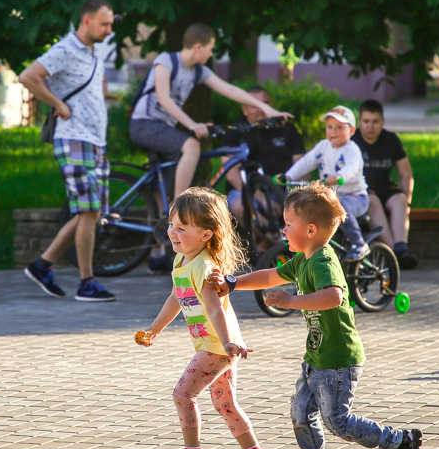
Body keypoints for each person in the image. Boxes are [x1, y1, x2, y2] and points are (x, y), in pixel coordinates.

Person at [211, 181, 422, 449]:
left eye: (288, 224)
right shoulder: (304, 258)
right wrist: (232, 282)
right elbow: (270, 275)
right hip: (316, 357)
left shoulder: (323, 260)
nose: (283, 230)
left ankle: (400, 440)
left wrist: (291, 301)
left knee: (337, 421)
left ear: (311, 230)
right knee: (301, 412)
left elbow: (334, 296)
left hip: (339, 359)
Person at [135, 187, 276, 449]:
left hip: (218, 345)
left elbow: (215, 310)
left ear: (206, 235)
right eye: (172, 225)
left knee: (183, 394)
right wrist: (154, 330)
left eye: (182, 228)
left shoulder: (205, 267)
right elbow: (176, 298)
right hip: (216, 345)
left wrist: (227, 342)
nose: (173, 232)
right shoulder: (182, 260)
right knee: (225, 404)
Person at [129, 23, 291, 273]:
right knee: (192, 145)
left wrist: (268, 111)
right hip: (144, 124)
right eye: (210, 50)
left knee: (174, 170)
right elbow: (163, 98)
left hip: (165, 129)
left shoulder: (197, 71)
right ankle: (179, 209)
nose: (211, 55)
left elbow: (229, 90)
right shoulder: (166, 61)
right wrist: (192, 124)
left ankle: (159, 246)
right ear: (198, 47)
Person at [18, 0, 116, 302]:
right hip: (73, 138)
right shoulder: (65, 49)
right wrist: (57, 103)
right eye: (104, 24)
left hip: (95, 141)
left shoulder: (93, 51)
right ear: (86, 21)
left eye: (111, 24)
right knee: (88, 210)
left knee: (91, 210)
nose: (109, 30)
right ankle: (86, 282)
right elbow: (28, 76)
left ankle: (42, 265)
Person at [283, 105, 370, 261]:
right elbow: (306, 162)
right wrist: (288, 176)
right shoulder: (323, 146)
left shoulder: (352, 149)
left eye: (339, 127)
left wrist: (339, 176)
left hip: (355, 196)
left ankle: (359, 243)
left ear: (352, 131)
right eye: (330, 127)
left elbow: (352, 167)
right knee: (308, 207)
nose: (333, 131)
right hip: (331, 197)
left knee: (341, 205)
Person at [221, 86, 305, 227]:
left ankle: (272, 245)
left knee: (305, 206)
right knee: (240, 208)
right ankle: (271, 241)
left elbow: (303, 167)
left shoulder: (286, 128)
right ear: (244, 109)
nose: (261, 109)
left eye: (265, 104)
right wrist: (262, 199)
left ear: (271, 106)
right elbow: (231, 174)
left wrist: (287, 196)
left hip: (285, 188)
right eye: (254, 105)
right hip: (246, 191)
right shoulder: (235, 131)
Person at [353, 100, 420, 269]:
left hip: (385, 186)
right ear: (359, 121)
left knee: (400, 200)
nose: (370, 126)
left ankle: (400, 248)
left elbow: (406, 174)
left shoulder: (391, 140)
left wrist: (408, 201)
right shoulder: (352, 141)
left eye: (375, 122)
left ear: (382, 121)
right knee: (372, 200)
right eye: (366, 121)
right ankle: (394, 255)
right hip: (363, 190)